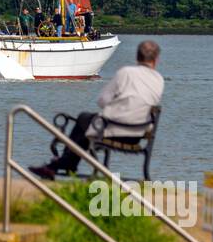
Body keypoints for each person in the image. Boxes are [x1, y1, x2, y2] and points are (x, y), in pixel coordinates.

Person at [30, 40, 164, 180]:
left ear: (137, 57)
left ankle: (66, 162)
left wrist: (117, 104)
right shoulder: (159, 80)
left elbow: (102, 100)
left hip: (114, 131)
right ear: (156, 59)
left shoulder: (126, 73)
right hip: (137, 135)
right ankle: (66, 162)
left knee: (84, 118)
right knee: (87, 122)